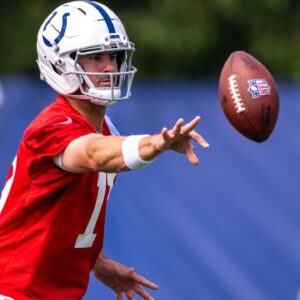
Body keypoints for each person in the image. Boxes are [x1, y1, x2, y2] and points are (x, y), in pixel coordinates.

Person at [0, 1, 209, 300]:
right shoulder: (52, 126)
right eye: (95, 57)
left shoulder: (106, 127)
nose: (110, 66)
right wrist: (156, 143)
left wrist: (95, 262)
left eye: (113, 56)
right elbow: (92, 154)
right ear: (60, 64)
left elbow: (51, 217)